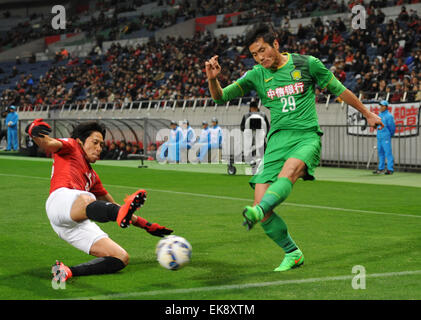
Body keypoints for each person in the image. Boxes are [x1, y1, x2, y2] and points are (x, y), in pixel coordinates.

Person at [205, 23, 384, 272]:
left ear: (276, 44)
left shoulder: (307, 64)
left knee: (287, 174)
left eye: (263, 50)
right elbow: (220, 96)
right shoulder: (257, 74)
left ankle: (257, 212)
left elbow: (338, 90)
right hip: (276, 142)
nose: (260, 57)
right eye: (254, 54)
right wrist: (213, 80)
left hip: (305, 136)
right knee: (264, 209)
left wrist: (367, 113)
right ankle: (292, 252)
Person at [25, 119, 173, 282]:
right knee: (87, 198)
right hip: (60, 201)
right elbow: (48, 144)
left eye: (101, 145)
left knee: (120, 257)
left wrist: (146, 225)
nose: (99, 148)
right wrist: (33, 130)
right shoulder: (72, 145)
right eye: (95, 142)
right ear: (81, 141)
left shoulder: (93, 177)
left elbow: (116, 207)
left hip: (71, 225)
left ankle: (66, 271)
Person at [240, 99, 270, 164]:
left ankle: (264, 163)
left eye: (254, 109)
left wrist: (266, 134)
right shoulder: (246, 115)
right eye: (252, 109)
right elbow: (242, 126)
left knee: (263, 151)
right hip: (250, 138)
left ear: (257, 108)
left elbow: (267, 126)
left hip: (260, 137)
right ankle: (252, 162)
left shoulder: (262, 115)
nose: (253, 110)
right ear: (250, 108)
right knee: (250, 151)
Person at [373, 100, 396, 175]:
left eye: (382, 106)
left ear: (386, 107)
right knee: (380, 153)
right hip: (379, 136)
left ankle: (390, 169)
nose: (380, 107)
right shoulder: (379, 115)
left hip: (385, 136)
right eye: (380, 106)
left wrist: (389, 134)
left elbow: (392, 127)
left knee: (388, 152)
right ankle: (381, 168)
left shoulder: (389, 116)